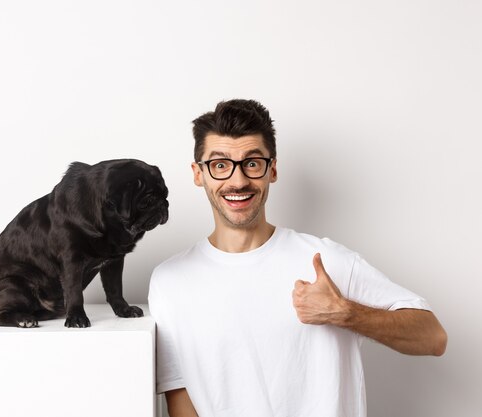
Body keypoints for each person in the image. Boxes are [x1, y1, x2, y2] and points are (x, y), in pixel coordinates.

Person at [147, 99, 447, 417]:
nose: (237, 181)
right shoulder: (171, 281)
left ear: (272, 169)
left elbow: (433, 337)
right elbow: (180, 398)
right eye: (220, 165)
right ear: (198, 174)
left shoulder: (326, 262)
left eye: (252, 163)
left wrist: (346, 313)